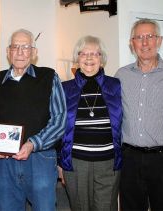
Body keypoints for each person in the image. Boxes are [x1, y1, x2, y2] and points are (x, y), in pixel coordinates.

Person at [0, 28, 67, 211]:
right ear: (8, 51)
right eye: (15, 47)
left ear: (34, 52)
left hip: (40, 160)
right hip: (5, 163)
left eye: (25, 47)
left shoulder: (49, 77)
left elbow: (59, 121)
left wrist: (32, 144)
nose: (20, 52)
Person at [115, 18, 163, 211]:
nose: (145, 42)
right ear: (132, 43)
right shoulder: (121, 75)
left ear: (159, 40)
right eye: (139, 37)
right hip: (129, 159)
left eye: (150, 36)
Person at [58, 36, 122, 211]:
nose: (88, 58)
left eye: (95, 53)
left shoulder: (116, 85)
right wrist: (59, 163)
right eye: (83, 53)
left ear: (102, 59)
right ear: (77, 58)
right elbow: (57, 127)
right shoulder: (64, 88)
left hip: (108, 163)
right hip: (76, 163)